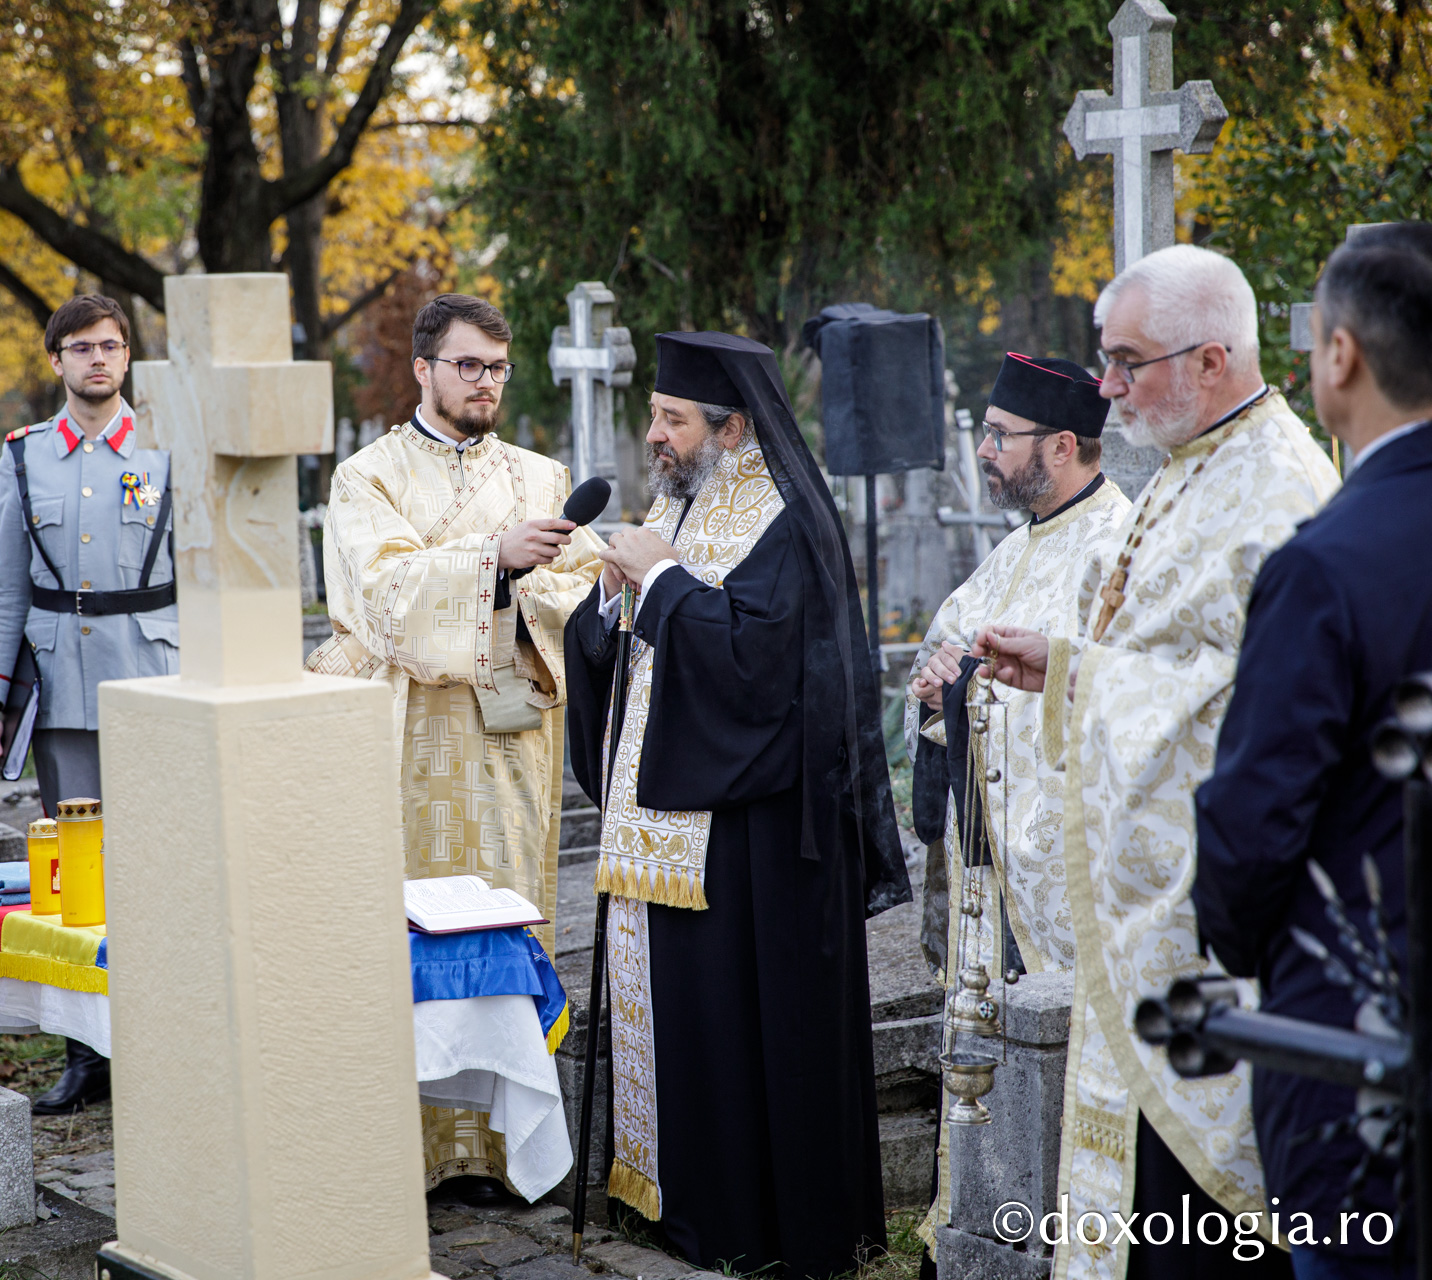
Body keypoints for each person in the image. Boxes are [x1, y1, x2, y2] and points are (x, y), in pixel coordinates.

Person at [975, 244, 1340, 1280]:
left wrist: (1092, 679)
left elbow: (1259, 714)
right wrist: (1068, 666)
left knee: (1199, 1226)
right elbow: (1179, 668)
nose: (1108, 387)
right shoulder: (1194, 463)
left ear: (1213, 359)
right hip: (1145, 921)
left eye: (1129, 362)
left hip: (1205, 931)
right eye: (1106, 358)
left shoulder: (1279, 491)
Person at [564, 330, 910, 1277]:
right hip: (661, 830)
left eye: (673, 420)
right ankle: (675, 1203)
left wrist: (663, 582)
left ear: (736, 427)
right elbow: (629, 655)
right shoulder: (675, 506)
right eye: (654, 418)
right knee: (681, 1024)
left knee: (737, 1030)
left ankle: (749, 1223)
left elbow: (765, 674)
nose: (656, 438)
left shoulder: (786, 522)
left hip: (748, 837)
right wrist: (606, 605)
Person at [315, 292, 603, 1203]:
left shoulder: (542, 476)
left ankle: (504, 1145)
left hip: (509, 736)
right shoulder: (368, 477)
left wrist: (523, 596)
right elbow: (378, 597)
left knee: (505, 920)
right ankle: (408, 1144)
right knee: (409, 928)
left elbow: (587, 586)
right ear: (425, 369)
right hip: (401, 741)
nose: (486, 383)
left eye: (497, 368)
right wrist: (497, 561)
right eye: (469, 365)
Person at [1193, 224, 1432, 1280]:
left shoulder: (1326, 565)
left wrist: (1241, 944)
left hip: (1361, 1038)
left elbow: (1252, 823)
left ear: (1341, 355)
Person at [903, 354, 1129, 1267]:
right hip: (988, 865)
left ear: (1064, 444)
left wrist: (972, 689)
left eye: (1001, 437)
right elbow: (946, 662)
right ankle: (984, 1221)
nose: (987, 453)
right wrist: (934, 696)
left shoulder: (1115, 546)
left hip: (1062, 866)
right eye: (987, 435)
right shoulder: (1012, 548)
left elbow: (1110, 704)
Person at [0, 294, 176, 1115]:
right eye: (82, 347)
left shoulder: (168, 450)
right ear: (54, 359)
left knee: (165, 864)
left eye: (113, 346)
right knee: (77, 880)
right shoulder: (24, 457)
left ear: (127, 358)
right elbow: (9, 581)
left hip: (158, 682)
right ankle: (89, 1057)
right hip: (60, 689)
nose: (99, 359)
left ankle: (169, 1039)